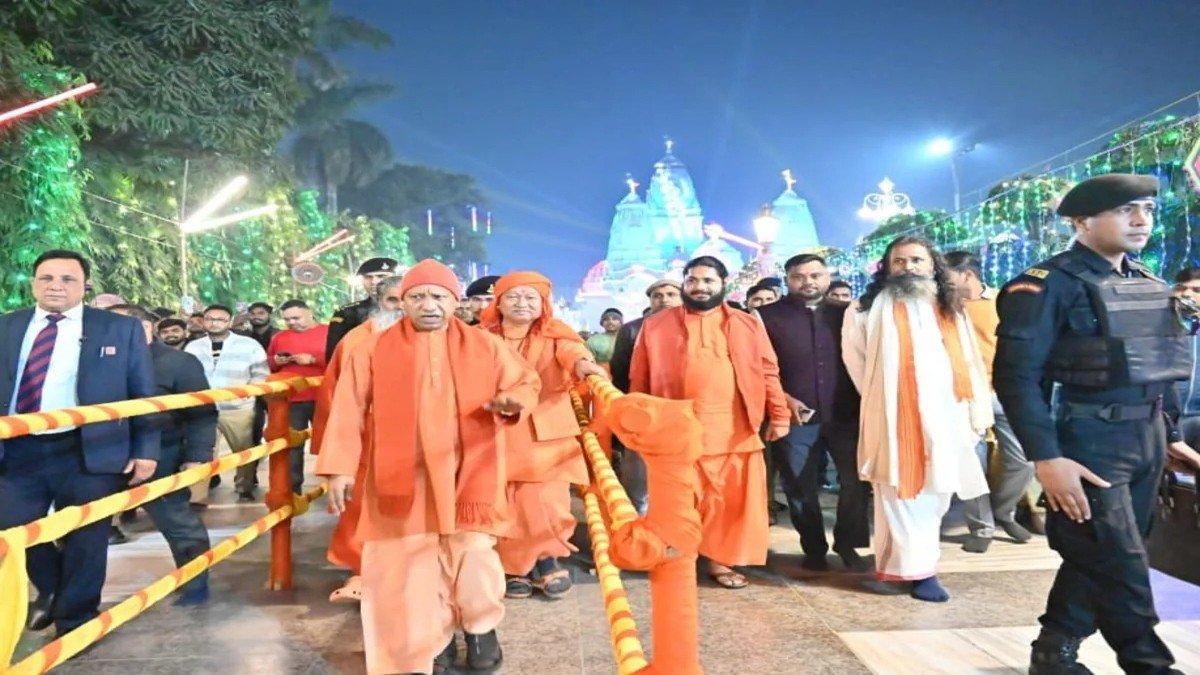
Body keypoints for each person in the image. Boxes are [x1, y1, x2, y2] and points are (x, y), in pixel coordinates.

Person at [994, 174, 1200, 674]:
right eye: (1126, 210)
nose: (1142, 220)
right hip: (1089, 440)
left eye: (1148, 209)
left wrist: (1171, 436)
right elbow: (1016, 378)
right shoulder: (1043, 285)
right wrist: (1047, 457)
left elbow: (1157, 367)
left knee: (1105, 551)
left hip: (1146, 437)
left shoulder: (1145, 280)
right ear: (1081, 221)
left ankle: (1053, 651)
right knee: (1121, 559)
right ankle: (1148, 663)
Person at [318, 259, 540, 675]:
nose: (428, 304)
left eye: (438, 296)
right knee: (413, 561)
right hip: (402, 474)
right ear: (403, 303)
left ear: (455, 302)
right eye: (417, 296)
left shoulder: (486, 346)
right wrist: (339, 468)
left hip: (472, 469)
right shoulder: (371, 349)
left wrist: (516, 402)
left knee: (473, 552)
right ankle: (433, 640)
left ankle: (481, 627)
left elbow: (525, 383)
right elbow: (347, 408)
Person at [0, 250, 159, 634]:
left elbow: (142, 391)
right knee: (12, 527)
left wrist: (145, 449)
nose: (56, 286)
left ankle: (76, 620)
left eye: (67, 279)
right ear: (33, 283)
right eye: (47, 278)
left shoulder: (119, 329)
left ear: (85, 285)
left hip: (92, 446)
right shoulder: (7, 326)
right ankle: (53, 588)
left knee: (87, 535)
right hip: (18, 446)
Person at [842, 236, 993, 603]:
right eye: (899, 261)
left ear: (932, 265)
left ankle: (912, 563)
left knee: (937, 495)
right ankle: (921, 573)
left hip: (947, 417)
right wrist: (885, 401)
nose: (908, 267)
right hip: (894, 418)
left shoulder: (950, 307)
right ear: (887, 266)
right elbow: (856, 361)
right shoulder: (863, 309)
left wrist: (975, 412)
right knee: (898, 493)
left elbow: (970, 360)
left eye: (916, 260)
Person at [630, 256, 790, 589]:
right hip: (675, 427)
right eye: (692, 280)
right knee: (677, 499)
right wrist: (639, 421)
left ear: (723, 284)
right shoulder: (655, 325)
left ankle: (720, 561)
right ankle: (679, 558)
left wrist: (780, 414)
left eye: (708, 281)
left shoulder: (747, 324)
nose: (699, 287)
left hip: (734, 428)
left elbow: (768, 371)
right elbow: (639, 377)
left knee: (727, 500)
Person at [480, 272, 608, 599]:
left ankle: (548, 558)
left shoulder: (556, 334)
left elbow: (573, 354)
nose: (521, 304)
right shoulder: (480, 337)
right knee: (508, 501)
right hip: (498, 428)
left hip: (549, 431)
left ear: (543, 304)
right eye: (513, 297)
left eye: (530, 298)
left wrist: (584, 366)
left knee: (551, 501)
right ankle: (514, 567)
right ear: (499, 303)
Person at [758, 254, 869, 572]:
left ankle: (848, 544)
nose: (808, 282)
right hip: (796, 416)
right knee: (798, 485)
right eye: (799, 276)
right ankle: (814, 548)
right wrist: (784, 399)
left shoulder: (848, 314)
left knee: (856, 481)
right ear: (787, 280)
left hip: (846, 413)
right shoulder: (766, 317)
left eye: (815, 275)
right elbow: (759, 366)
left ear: (827, 276)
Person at [111, 304, 217, 605]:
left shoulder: (178, 363)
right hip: (102, 454)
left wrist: (196, 456)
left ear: (145, 328)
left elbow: (202, 414)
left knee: (176, 520)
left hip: (163, 453)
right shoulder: (95, 361)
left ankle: (194, 583)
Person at [312, 276, 403, 604]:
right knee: (360, 509)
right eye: (393, 300)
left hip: (422, 443)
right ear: (379, 302)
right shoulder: (356, 341)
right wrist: (334, 458)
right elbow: (333, 398)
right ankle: (362, 571)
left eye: (408, 299)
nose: (401, 307)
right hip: (365, 441)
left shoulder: (440, 338)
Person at [944, 251, 1037, 554]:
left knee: (1024, 460)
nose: (943, 283)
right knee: (973, 464)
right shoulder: (942, 307)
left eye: (948, 277)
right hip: (965, 396)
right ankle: (981, 527)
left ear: (968, 274)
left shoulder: (1003, 301)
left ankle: (1003, 511)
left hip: (1005, 392)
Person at [609, 279, 682, 514]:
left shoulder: (692, 325)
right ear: (650, 301)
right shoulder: (632, 329)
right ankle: (637, 523)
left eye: (671, 294)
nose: (664, 299)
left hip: (681, 410)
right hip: (642, 408)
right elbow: (620, 371)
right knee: (638, 475)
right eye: (657, 295)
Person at [185, 304, 270, 504]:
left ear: (230, 322)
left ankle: (244, 487)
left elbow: (260, 373)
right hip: (203, 409)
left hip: (238, 408)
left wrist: (248, 395)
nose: (214, 323)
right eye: (209, 319)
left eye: (220, 319)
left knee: (244, 451)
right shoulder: (193, 347)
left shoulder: (249, 345)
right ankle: (197, 496)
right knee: (200, 452)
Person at [266, 299, 329, 493]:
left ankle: (335, 486)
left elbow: (341, 359)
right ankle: (292, 490)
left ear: (310, 312)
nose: (292, 323)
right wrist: (276, 361)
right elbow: (269, 363)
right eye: (287, 319)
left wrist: (313, 360)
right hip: (292, 400)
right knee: (292, 446)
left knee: (330, 443)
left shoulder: (330, 332)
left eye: (296, 318)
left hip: (324, 397)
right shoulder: (279, 337)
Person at [326, 257, 400, 360]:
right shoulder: (348, 313)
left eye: (381, 276)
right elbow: (334, 356)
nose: (374, 281)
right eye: (368, 277)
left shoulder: (410, 309)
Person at [1173, 266, 1200, 447]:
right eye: (1181, 288)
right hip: (1163, 418)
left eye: (1197, 290)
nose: (1187, 294)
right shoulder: (1156, 326)